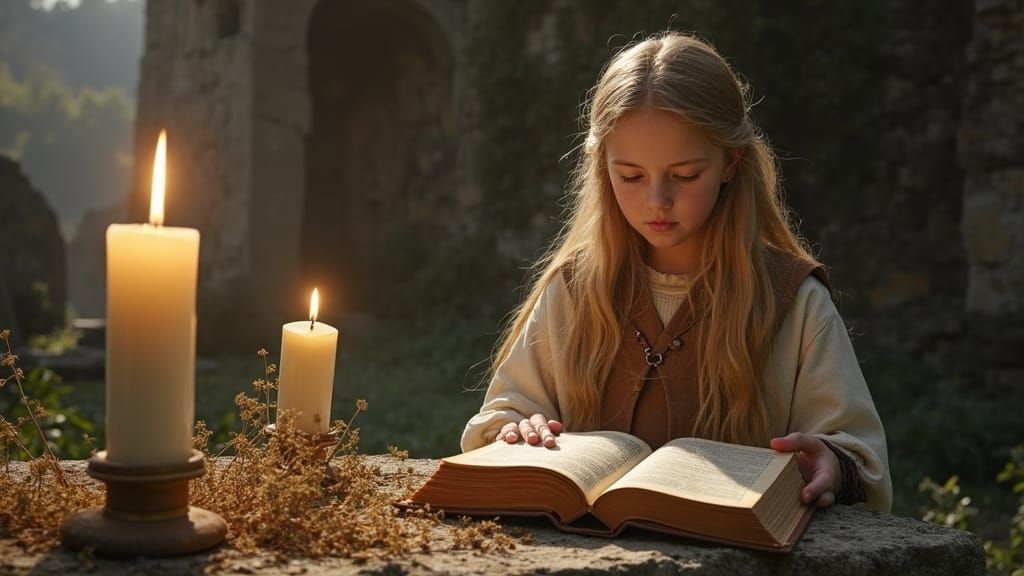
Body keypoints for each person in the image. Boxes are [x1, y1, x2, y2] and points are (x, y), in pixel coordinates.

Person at [460, 32, 891, 512]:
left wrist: (834, 461)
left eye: (685, 176)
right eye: (631, 176)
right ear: (602, 165)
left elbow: (857, 454)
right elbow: (504, 415)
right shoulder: (573, 291)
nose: (657, 201)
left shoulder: (793, 301)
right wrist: (518, 429)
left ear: (731, 161)